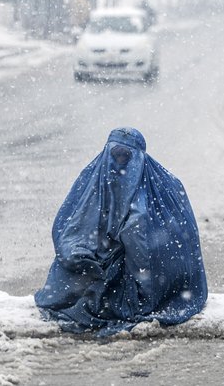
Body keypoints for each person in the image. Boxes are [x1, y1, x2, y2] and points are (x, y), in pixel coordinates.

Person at [35, 127, 208, 336]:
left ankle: (138, 295)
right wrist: (81, 253)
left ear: (139, 157)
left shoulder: (165, 187)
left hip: (149, 269)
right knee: (75, 280)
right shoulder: (92, 181)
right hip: (102, 258)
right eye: (115, 155)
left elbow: (166, 243)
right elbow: (70, 225)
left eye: (125, 156)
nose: (119, 161)